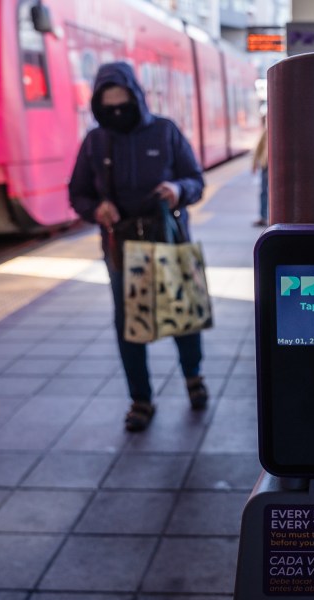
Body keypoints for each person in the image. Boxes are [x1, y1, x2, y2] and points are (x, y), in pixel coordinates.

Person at [68, 62, 207, 431]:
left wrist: (177, 189)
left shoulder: (165, 131)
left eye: (123, 105)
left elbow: (195, 180)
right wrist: (96, 209)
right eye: (108, 108)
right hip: (122, 247)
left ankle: (194, 376)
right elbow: (78, 193)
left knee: (183, 313)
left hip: (169, 238)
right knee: (128, 323)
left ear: (137, 99)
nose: (117, 113)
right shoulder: (95, 141)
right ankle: (140, 399)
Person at [251, 109, 268, 227]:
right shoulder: (266, 132)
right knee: (264, 192)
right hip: (266, 165)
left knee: (267, 192)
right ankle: (263, 216)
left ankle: (267, 216)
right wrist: (254, 164)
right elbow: (258, 148)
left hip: (270, 166)